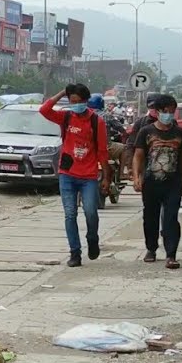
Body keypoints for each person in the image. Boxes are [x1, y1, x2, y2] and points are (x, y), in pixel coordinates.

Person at [39, 83, 111, 267]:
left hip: (88, 176)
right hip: (67, 174)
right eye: (72, 101)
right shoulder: (65, 117)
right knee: (70, 214)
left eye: (79, 101)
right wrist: (63, 91)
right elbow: (44, 110)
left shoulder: (97, 122)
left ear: (86, 102)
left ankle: (92, 237)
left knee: (90, 212)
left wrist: (106, 178)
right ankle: (75, 252)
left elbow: (102, 151)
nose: (76, 104)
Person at [133, 94, 182, 269]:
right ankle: (151, 248)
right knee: (150, 217)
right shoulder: (146, 132)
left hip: (172, 182)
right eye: (166, 112)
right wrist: (136, 176)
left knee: (171, 218)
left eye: (172, 112)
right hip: (151, 182)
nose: (169, 115)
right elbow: (138, 155)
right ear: (158, 112)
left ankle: (171, 254)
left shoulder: (179, 133)